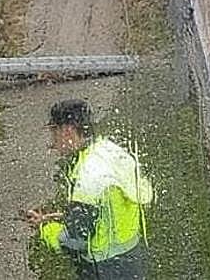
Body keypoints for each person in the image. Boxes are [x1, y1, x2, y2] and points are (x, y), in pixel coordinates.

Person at [29, 99, 153, 279]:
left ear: (67, 131)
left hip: (105, 269)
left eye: (54, 132)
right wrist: (67, 216)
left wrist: (44, 227)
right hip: (132, 259)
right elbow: (108, 209)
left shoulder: (87, 176)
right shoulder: (110, 151)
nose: (53, 142)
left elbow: (73, 241)